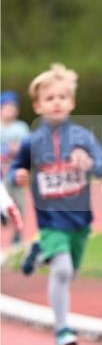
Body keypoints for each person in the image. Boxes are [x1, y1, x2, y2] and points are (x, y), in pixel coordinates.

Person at [10, 64, 102, 345]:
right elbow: (15, 169)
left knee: (70, 269)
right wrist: (17, 176)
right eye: (49, 98)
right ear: (38, 106)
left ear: (72, 102)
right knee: (63, 271)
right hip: (50, 218)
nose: (56, 102)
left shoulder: (83, 137)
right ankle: (62, 330)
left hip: (80, 220)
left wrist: (91, 164)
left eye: (62, 97)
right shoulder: (31, 141)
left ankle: (39, 250)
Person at [0, 90, 30, 243]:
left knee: (19, 206)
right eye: (6, 107)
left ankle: (17, 239)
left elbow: (26, 148)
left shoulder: (20, 128)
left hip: (15, 175)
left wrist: (17, 149)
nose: (9, 111)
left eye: (13, 108)